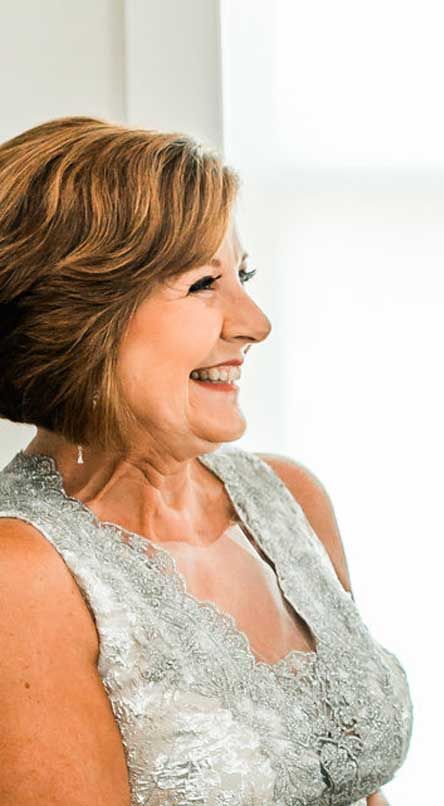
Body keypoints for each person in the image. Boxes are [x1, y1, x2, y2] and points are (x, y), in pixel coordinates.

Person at [0, 117, 411, 805]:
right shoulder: (22, 576)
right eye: (202, 285)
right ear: (80, 317)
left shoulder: (287, 498)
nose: (254, 322)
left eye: (243, 275)